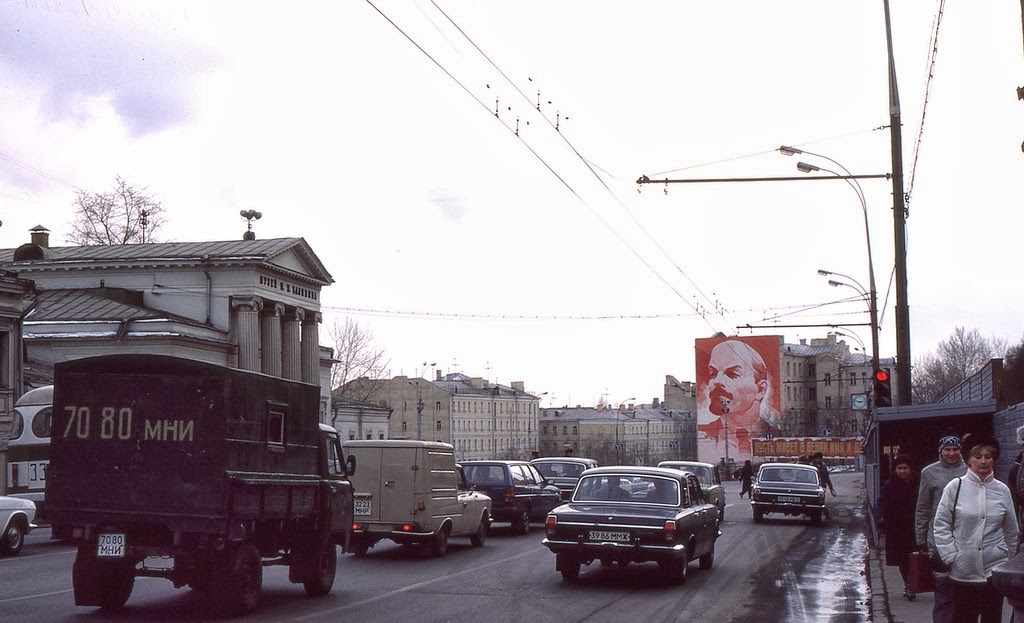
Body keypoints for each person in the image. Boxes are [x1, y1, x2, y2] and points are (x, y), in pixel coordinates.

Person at [932, 433, 1019, 623]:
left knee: (992, 617)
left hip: (993, 570)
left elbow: (1011, 529)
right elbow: (941, 525)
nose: (983, 461)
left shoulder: (1002, 490)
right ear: (968, 459)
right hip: (963, 570)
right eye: (977, 456)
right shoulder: (955, 487)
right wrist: (952, 556)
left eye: (988, 456)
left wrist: (1007, 557)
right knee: (963, 617)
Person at [915, 431, 968, 623]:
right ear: (941, 451)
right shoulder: (929, 473)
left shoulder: (970, 469)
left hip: (965, 536)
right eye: (947, 450)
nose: (952, 453)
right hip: (938, 537)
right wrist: (920, 539)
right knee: (943, 586)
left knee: (964, 588)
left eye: (955, 449)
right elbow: (923, 507)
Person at [697, 339, 782, 456]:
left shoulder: (776, 435)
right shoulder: (702, 436)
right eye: (713, 374)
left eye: (732, 374)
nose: (717, 381)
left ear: (760, 390)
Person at [877, 454, 919, 600]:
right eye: (899, 468)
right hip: (896, 528)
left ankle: (913, 584)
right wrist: (881, 518)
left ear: (910, 469)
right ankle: (908, 585)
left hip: (914, 527)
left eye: (905, 468)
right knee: (902, 559)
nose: (902, 471)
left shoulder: (917, 484)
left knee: (913, 557)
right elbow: (882, 502)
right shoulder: (889, 485)